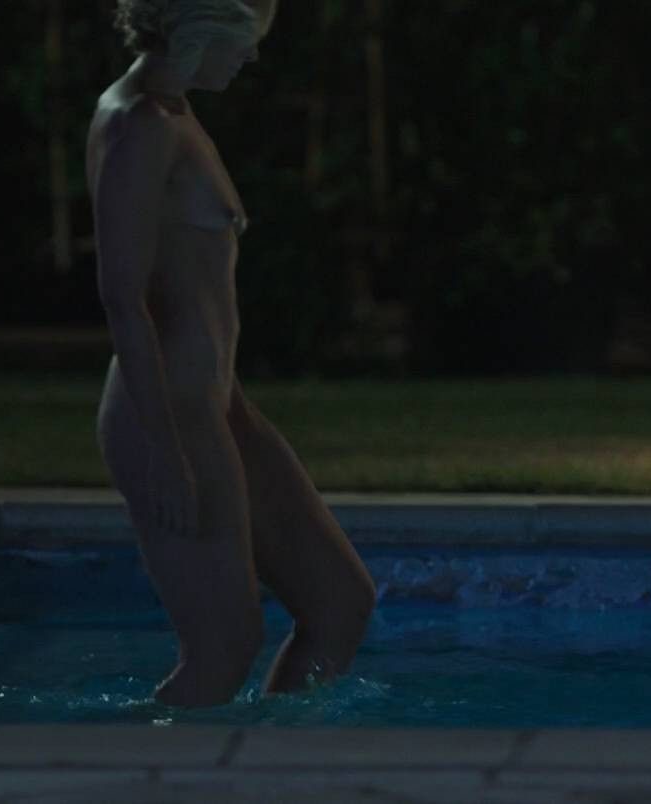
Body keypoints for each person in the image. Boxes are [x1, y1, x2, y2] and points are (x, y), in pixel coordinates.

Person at [88, 0, 377, 708]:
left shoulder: (175, 112)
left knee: (338, 603)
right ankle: (131, 763)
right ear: (200, 31)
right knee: (223, 647)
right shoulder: (138, 126)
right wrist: (163, 450)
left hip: (218, 403)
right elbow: (123, 300)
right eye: (243, 41)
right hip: (167, 411)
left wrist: (229, 408)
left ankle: (272, 759)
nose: (250, 57)